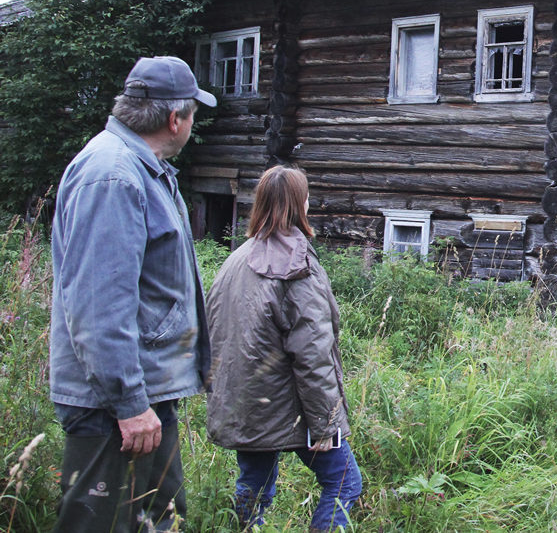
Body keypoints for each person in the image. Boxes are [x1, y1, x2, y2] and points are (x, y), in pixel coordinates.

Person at [49, 55, 216, 532]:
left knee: (158, 522)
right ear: (174, 119)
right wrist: (130, 405)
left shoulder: (145, 169)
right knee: (101, 526)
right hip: (115, 406)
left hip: (143, 393)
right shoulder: (114, 176)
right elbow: (99, 308)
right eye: (193, 113)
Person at [205, 165, 362, 531]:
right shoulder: (296, 266)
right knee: (344, 483)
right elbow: (313, 356)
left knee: (253, 491)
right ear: (300, 204)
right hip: (286, 406)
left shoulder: (236, 260)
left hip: (244, 404)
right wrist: (325, 426)